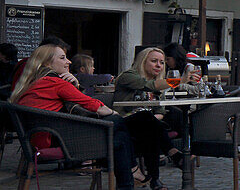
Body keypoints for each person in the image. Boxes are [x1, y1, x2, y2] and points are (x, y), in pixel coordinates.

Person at [13, 44, 143, 190]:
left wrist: (74, 85)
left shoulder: (33, 83)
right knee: (118, 124)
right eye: (63, 58)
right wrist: (115, 114)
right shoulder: (55, 82)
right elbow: (94, 106)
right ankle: (133, 170)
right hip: (58, 141)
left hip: (40, 139)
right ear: (46, 63)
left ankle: (130, 179)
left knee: (118, 141)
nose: (68, 62)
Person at [113, 47, 187, 190]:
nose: (159, 65)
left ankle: (154, 179)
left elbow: (160, 111)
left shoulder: (158, 82)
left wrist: (152, 120)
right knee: (145, 117)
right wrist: (180, 80)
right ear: (142, 62)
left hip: (145, 127)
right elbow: (147, 86)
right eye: (154, 61)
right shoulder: (128, 76)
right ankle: (172, 153)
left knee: (151, 129)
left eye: (161, 62)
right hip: (122, 124)